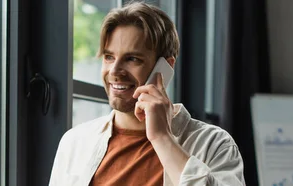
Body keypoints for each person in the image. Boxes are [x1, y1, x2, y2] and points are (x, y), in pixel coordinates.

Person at [49, 2, 245, 186]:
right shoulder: (75, 141)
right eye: (109, 57)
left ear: (165, 67)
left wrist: (162, 138)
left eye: (132, 59)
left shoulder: (215, 144)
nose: (115, 71)